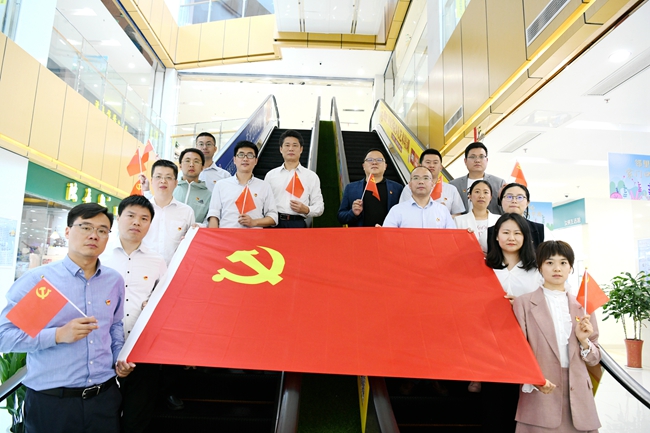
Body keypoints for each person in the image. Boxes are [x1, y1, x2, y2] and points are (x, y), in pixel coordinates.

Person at [0, 203, 135, 433]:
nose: (94, 235)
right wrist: (58, 335)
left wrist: (119, 358)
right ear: (67, 231)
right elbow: (5, 337)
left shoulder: (113, 281)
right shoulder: (41, 281)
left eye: (102, 230)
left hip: (104, 399)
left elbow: (114, 326)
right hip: (52, 403)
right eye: (85, 227)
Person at [513, 241, 601, 432]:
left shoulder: (583, 306)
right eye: (550, 262)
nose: (557, 268)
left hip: (579, 396)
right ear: (540, 266)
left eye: (563, 263)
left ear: (570, 268)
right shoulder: (524, 303)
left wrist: (584, 341)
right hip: (541, 390)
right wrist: (535, 379)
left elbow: (595, 359)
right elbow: (517, 351)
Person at [100, 196, 167, 433]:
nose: (137, 222)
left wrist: (154, 303)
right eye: (131, 215)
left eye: (144, 218)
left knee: (136, 420)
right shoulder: (100, 254)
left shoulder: (157, 261)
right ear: (118, 218)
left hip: (142, 351)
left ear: (150, 224)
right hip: (102, 350)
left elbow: (164, 300)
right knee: (103, 419)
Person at [476, 212, 540, 429]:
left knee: (523, 404)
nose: (511, 238)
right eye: (506, 232)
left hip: (528, 344)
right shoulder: (484, 268)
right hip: (491, 345)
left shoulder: (537, 271)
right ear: (496, 236)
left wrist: (521, 304)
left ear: (525, 237)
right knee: (493, 405)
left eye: (517, 233)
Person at [207, 141, 278, 228]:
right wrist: (214, 235)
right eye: (241, 155)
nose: (245, 159)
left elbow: (273, 217)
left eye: (250, 155)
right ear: (234, 160)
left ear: (256, 161)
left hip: (254, 235)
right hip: (227, 234)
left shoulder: (264, 186)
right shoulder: (221, 185)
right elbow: (214, 215)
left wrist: (254, 222)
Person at [264, 130, 324, 228]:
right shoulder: (271, 175)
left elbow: (319, 207)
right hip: (274, 223)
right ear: (281, 149)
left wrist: (306, 209)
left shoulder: (311, 176)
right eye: (287, 145)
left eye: (295, 145)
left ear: (301, 149)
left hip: (297, 223)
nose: (291, 149)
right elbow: (264, 202)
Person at [141, 159, 195, 265]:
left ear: (176, 183)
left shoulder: (187, 212)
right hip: (144, 268)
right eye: (158, 176)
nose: (163, 181)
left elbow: (191, 245)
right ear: (151, 180)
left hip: (174, 270)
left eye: (168, 177)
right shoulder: (141, 210)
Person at [338, 148, 403, 227]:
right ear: (363, 166)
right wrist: (353, 213)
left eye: (379, 160)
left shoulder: (397, 188)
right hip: (360, 234)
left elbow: (404, 216)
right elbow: (341, 217)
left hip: (388, 234)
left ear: (385, 166)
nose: (374, 162)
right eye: (370, 160)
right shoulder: (351, 188)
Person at [382, 166, 456, 228]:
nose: (421, 182)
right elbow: (387, 236)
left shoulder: (443, 210)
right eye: (416, 178)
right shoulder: (397, 210)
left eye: (426, 178)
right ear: (410, 185)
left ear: (432, 184)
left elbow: (452, 236)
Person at [399, 149, 465, 216]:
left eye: (435, 163)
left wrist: (443, 218)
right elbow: (403, 211)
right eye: (428, 162)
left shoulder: (451, 189)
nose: (431, 165)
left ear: (441, 167)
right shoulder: (409, 188)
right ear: (420, 165)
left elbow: (457, 215)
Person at [449, 142, 506, 215]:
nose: (477, 160)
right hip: (463, 222)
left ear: (486, 160)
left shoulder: (498, 183)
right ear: (465, 161)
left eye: (481, 157)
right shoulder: (454, 185)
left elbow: (505, 211)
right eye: (472, 157)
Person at [487, 183, 546, 251]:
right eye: (509, 197)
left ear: (527, 202)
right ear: (501, 201)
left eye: (520, 197)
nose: (514, 201)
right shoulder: (489, 232)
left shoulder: (540, 230)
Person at [454, 180, 500, 254]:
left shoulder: (499, 220)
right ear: (470, 196)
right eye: (477, 192)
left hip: (494, 260)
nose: (481, 196)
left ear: (491, 197)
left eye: (485, 192)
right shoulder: (458, 221)